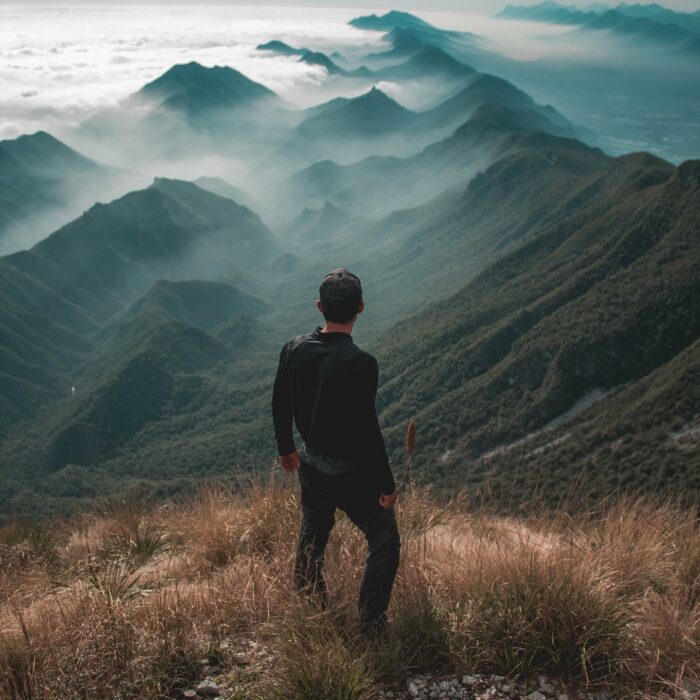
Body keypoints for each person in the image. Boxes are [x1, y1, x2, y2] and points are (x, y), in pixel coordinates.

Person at [271, 267, 400, 635]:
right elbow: (368, 431)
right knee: (384, 540)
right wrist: (387, 485)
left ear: (319, 306)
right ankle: (371, 624)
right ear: (361, 308)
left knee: (312, 536)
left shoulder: (294, 349)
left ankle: (313, 612)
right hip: (355, 475)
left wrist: (286, 448)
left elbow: (279, 403)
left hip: (311, 465)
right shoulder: (362, 364)